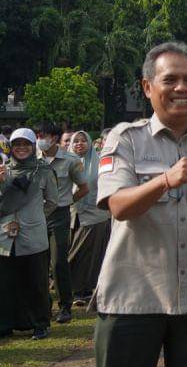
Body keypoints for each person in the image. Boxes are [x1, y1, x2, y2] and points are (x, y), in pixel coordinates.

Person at [93, 42, 187, 367]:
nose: (182, 88)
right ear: (148, 87)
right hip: (133, 296)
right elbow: (118, 205)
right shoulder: (125, 139)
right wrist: (164, 180)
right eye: (170, 79)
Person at [0, 128, 58, 340]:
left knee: (36, 282)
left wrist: (35, 218)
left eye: (26, 144)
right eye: (17, 145)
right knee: (5, 282)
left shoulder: (43, 171)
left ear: (33, 147)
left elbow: (52, 201)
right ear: (11, 148)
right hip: (4, 237)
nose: (21, 148)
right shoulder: (3, 170)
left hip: (33, 236)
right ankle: (6, 323)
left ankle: (40, 323)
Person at [35, 121, 88, 324]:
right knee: (40, 262)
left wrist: (66, 203)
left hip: (60, 214)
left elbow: (83, 188)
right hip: (36, 215)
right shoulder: (34, 157)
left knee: (58, 262)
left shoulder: (70, 160)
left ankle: (65, 305)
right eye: (38, 135)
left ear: (55, 138)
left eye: (43, 135)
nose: (40, 139)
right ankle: (43, 305)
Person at [67, 130, 110, 306]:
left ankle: (82, 291)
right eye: (75, 141)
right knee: (72, 253)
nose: (79, 144)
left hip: (95, 215)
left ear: (90, 143)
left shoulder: (100, 162)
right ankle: (71, 288)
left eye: (83, 141)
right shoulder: (65, 162)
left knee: (88, 256)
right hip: (70, 214)